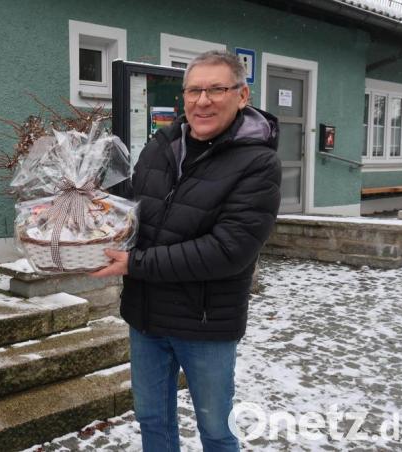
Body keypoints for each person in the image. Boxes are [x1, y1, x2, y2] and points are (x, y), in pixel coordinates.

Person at [93, 50, 282, 451]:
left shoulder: (258, 162)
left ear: (242, 95)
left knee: (215, 429)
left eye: (217, 89)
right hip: (147, 317)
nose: (203, 100)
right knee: (153, 421)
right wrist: (93, 192)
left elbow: (228, 249)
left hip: (205, 323)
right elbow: (136, 207)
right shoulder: (163, 144)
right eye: (194, 90)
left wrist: (136, 262)